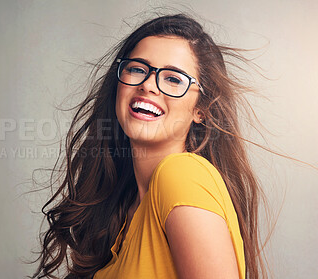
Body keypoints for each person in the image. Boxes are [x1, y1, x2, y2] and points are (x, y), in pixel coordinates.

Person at [31, 13, 269, 279]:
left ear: (201, 110)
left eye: (173, 79)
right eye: (137, 69)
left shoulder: (182, 175)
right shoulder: (125, 210)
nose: (147, 85)